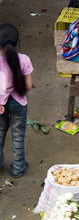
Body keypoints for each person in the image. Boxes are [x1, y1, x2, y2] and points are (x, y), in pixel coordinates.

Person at [0, 23, 33, 178]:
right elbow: (28, 86)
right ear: (18, 40)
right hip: (18, 104)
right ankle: (18, 168)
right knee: (18, 136)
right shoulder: (24, 60)